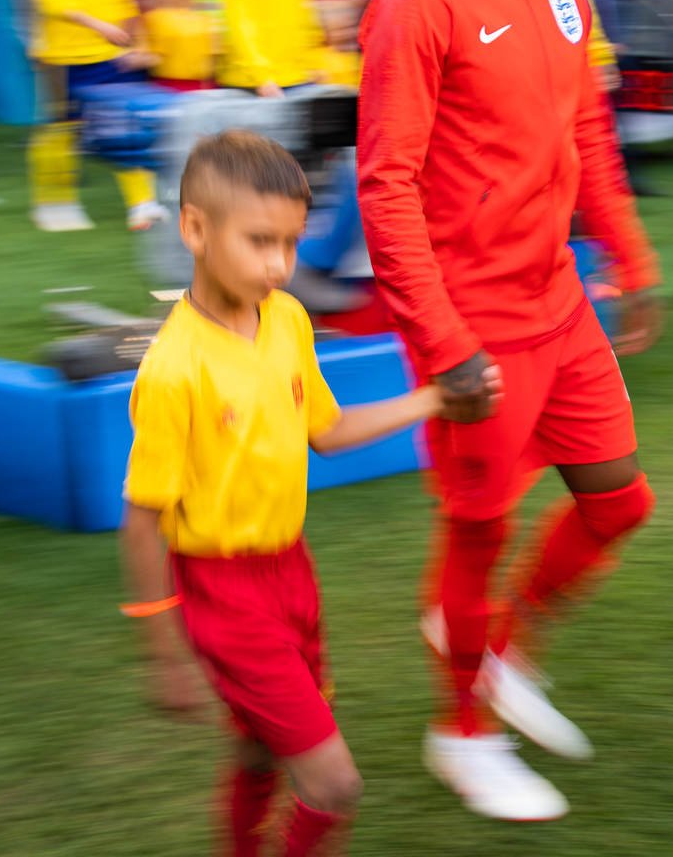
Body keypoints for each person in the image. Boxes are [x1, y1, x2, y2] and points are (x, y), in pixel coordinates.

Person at [357, 0, 662, 821]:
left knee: (619, 497)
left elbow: (589, 140)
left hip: (559, 297)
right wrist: (439, 341)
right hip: (473, 318)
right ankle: (462, 729)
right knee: (478, 533)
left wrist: (633, 252)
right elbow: (385, 182)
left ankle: (502, 651)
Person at [120, 129, 464, 857]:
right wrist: (164, 652)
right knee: (335, 786)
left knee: (259, 753)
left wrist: (432, 400)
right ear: (194, 230)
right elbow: (140, 524)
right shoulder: (174, 370)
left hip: (291, 575)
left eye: (291, 243)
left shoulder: (287, 320)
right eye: (259, 242)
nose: (280, 264)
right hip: (225, 595)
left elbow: (328, 430)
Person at [25, 0, 163, 232]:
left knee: (126, 127)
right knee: (63, 129)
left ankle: (142, 204)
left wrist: (138, 40)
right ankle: (54, 203)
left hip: (111, 53)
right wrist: (98, 25)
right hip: (62, 56)